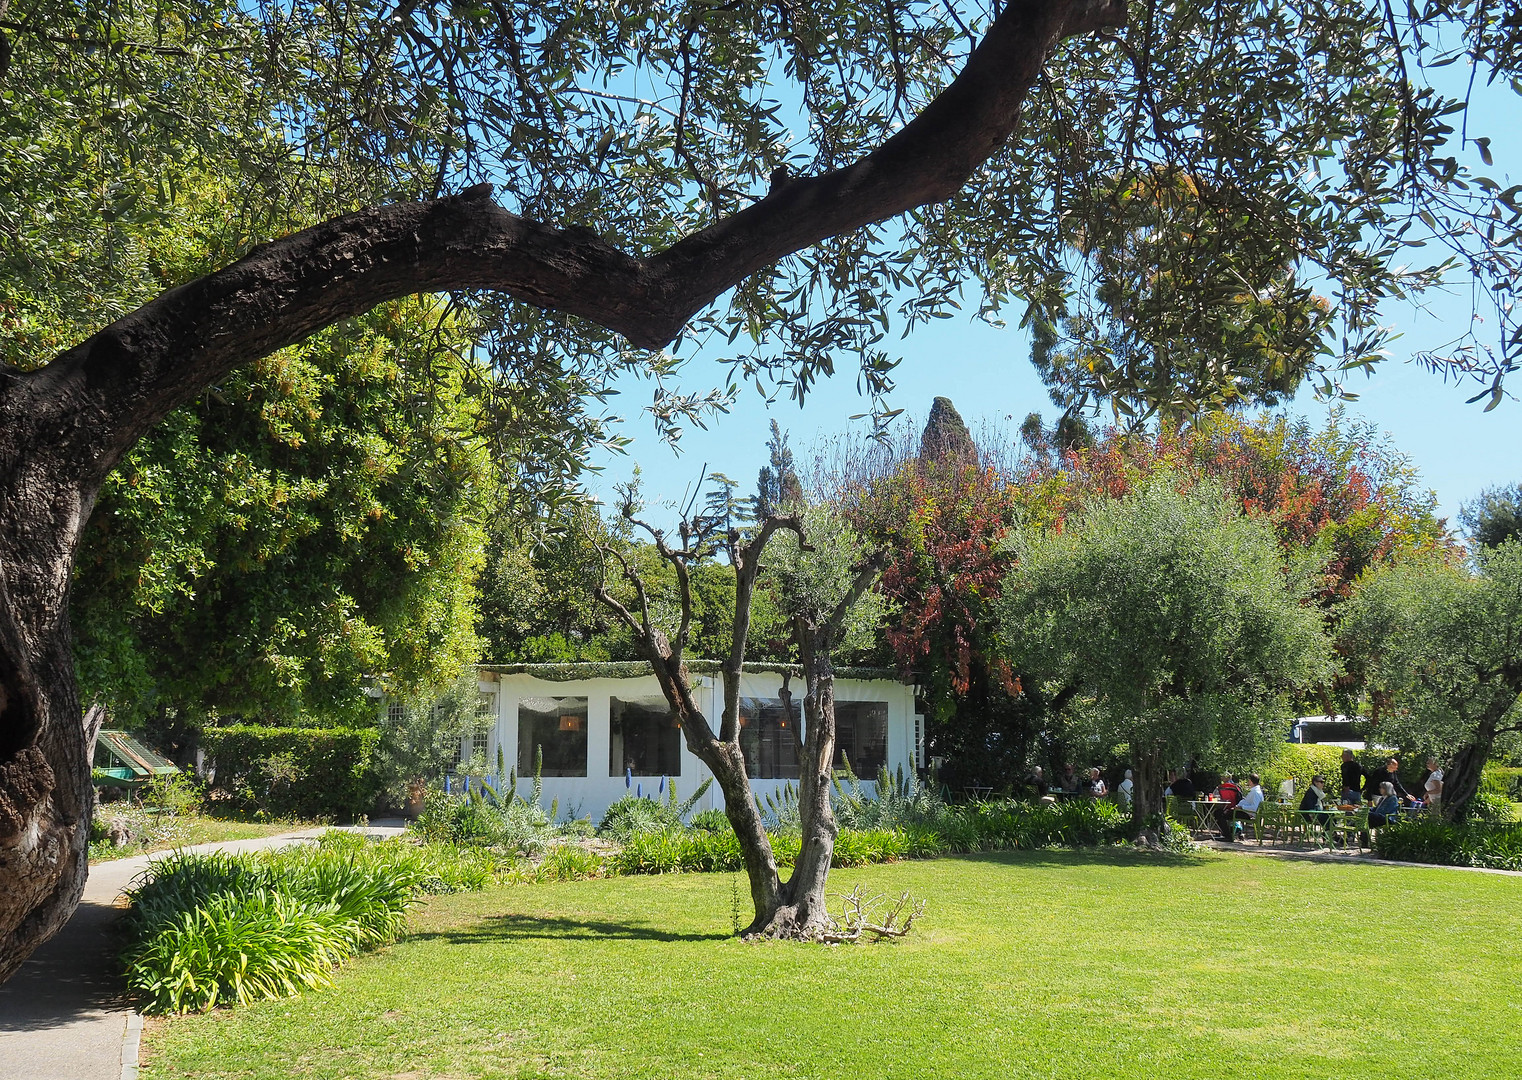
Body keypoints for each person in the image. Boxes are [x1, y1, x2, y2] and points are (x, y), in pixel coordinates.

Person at [1227, 773, 1266, 841]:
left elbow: (1254, 807)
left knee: (1225, 814)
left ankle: (1228, 835)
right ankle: (1233, 833)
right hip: (1246, 811)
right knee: (1228, 812)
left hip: (1249, 813)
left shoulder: (1256, 792)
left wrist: (1241, 807)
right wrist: (1238, 806)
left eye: (1249, 780)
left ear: (1250, 781)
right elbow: (1247, 801)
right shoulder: (1255, 791)